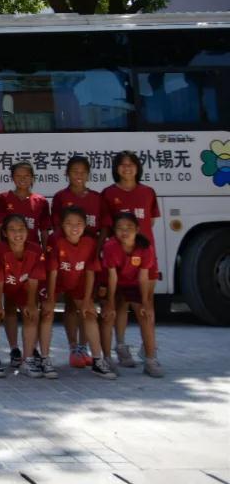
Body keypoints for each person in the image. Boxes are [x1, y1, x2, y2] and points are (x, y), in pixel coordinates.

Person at [100, 151, 160, 369]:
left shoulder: (148, 192)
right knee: (120, 303)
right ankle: (121, 345)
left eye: (131, 164)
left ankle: (149, 350)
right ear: (116, 168)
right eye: (122, 165)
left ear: (137, 167)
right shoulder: (109, 193)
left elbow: (150, 222)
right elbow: (106, 227)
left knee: (146, 302)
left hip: (143, 257)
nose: (127, 168)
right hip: (119, 259)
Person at [43, 207, 116, 379]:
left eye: (78, 223)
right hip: (56, 280)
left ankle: (97, 360)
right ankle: (45, 359)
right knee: (47, 313)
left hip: (78, 281)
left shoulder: (90, 242)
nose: (74, 227)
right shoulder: (55, 240)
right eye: (69, 223)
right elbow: (52, 270)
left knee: (89, 313)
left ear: (85, 225)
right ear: (62, 225)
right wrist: (51, 298)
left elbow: (90, 271)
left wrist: (87, 299)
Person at [0, 161, 50, 367]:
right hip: (9, 259)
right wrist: (0, 254)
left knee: (32, 305)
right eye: (18, 175)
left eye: (27, 175)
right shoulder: (3, 199)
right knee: (9, 305)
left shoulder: (41, 201)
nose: (22, 179)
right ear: (12, 177)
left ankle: (31, 348)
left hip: (32, 262)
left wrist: (45, 254)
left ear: (33, 177)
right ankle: (14, 348)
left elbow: (44, 232)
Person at [51, 155, 101, 368]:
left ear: (88, 174)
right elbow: (56, 228)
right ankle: (74, 347)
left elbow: (104, 228)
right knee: (71, 304)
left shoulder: (97, 198)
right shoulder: (60, 197)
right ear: (67, 174)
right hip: (67, 257)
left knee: (87, 303)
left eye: (83, 172)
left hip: (88, 257)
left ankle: (84, 346)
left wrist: (97, 251)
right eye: (74, 171)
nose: (78, 175)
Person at [99, 212, 162, 377]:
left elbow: (143, 277)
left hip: (133, 284)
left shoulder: (145, 247)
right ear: (114, 231)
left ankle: (150, 360)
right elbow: (112, 277)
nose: (124, 231)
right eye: (120, 228)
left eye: (129, 227)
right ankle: (107, 359)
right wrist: (110, 303)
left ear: (137, 229)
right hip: (111, 283)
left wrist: (146, 302)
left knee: (146, 315)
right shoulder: (110, 246)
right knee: (107, 316)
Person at [0, 215, 45, 378]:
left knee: (31, 314)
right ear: (4, 233)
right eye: (12, 230)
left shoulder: (35, 250)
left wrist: (31, 304)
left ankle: (28, 359)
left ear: (27, 231)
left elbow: (34, 279)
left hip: (21, 283)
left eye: (21, 229)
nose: (17, 233)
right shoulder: (0, 249)